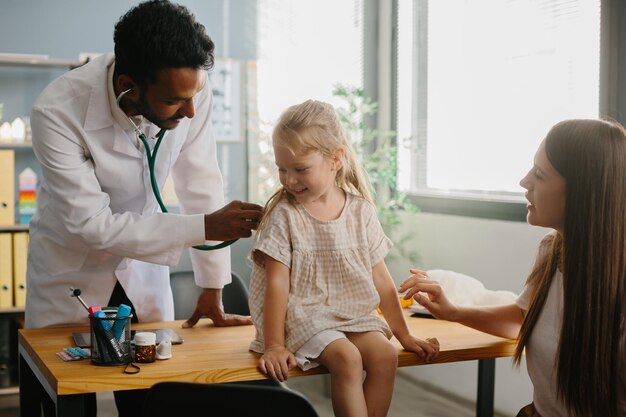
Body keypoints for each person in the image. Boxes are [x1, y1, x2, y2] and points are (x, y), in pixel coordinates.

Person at [26, 1, 262, 415]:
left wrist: (212, 289)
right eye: (175, 101)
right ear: (128, 87)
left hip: (144, 269)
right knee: (71, 397)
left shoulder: (189, 91)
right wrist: (205, 225)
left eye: (194, 98)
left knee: (151, 396)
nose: (189, 111)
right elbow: (92, 224)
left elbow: (201, 181)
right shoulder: (58, 109)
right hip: (72, 267)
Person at [399, 118, 626, 417]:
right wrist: (452, 311)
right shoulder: (552, 250)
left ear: (583, 190)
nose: (524, 181)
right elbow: (523, 318)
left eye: (540, 174)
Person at [248, 99, 440, 417]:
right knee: (347, 359)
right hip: (305, 315)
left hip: (351, 314)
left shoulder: (361, 211)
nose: (289, 179)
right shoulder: (284, 215)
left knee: (385, 356)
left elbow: (381, 278)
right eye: (282, 169)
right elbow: (276, 283)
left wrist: (403, 334)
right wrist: (274, 345)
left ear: (335, 159)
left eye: (300, 169)